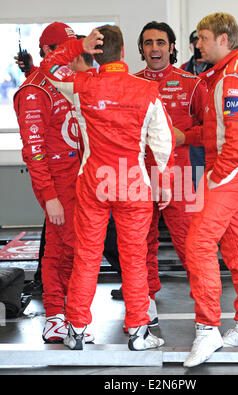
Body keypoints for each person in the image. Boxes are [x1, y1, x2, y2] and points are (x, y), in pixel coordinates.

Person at [39, 25, 175, 351]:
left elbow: (48, 68)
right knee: (134, 258)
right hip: (133, 184)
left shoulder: (82, 85)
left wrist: (74, 47)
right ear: (125, 51)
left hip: (94, 184)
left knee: (86, 256)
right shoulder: (146, 90)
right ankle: (139, 331)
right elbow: (163, 142)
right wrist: (166, 184)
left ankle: (75, 328)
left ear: (95, 52)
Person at [180, 12, 238, 367]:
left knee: (197, 243)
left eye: (202, 37)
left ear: (223, 40)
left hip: (230, 173)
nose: (197, 44)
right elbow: (217, 133)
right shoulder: (221, 77)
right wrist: (186, 137)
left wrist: (216, 179)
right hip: (231, 172)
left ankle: (207, 329)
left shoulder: (231, 80)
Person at [13, 22, 93, 344]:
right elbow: (34, 152)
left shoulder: (70, 81)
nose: (71, 54)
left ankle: (56, 317)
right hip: (59, 187)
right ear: (47, 51)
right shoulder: (35, 91)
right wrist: (50, 197)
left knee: (58, 252)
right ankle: (68, 317)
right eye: (64, 48)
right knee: (74, 252)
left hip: (82, 182)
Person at [132, 21, 207, 327]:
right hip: (139, 177)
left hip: (182, 179)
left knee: (192, 244)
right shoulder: (130, 84)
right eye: (148, 43)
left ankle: (206, 309)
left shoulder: (193, 84)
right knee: (139, 243)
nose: (154, 49)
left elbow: (212, 131)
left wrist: (183, 137)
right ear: (141, 49)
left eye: (161, 43)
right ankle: (145, 299)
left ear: (172, 47)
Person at [180, 30, 214, 190]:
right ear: (191, 47)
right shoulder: (183, 69)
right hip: (193, 130)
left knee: (213, 175)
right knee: (195, 175)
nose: (198, 47)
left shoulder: (217, 68)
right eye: (195, 44)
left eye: (201, 42)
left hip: (213, 128)